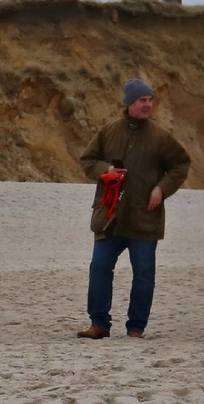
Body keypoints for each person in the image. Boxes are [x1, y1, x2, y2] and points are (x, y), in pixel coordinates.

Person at [76, 78, 191, 339]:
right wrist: (106, 170)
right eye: (142, 100)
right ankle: (99, 324)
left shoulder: (161, 136)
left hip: (144, 217)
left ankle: (136, 328)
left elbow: (180, 165)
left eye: (150, 100)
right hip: (110, 216)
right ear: (129, 103)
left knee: (144, 274)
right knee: (99, 267)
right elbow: (87, 160)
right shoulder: (108, 131)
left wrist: (161, 189)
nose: (148, 105)